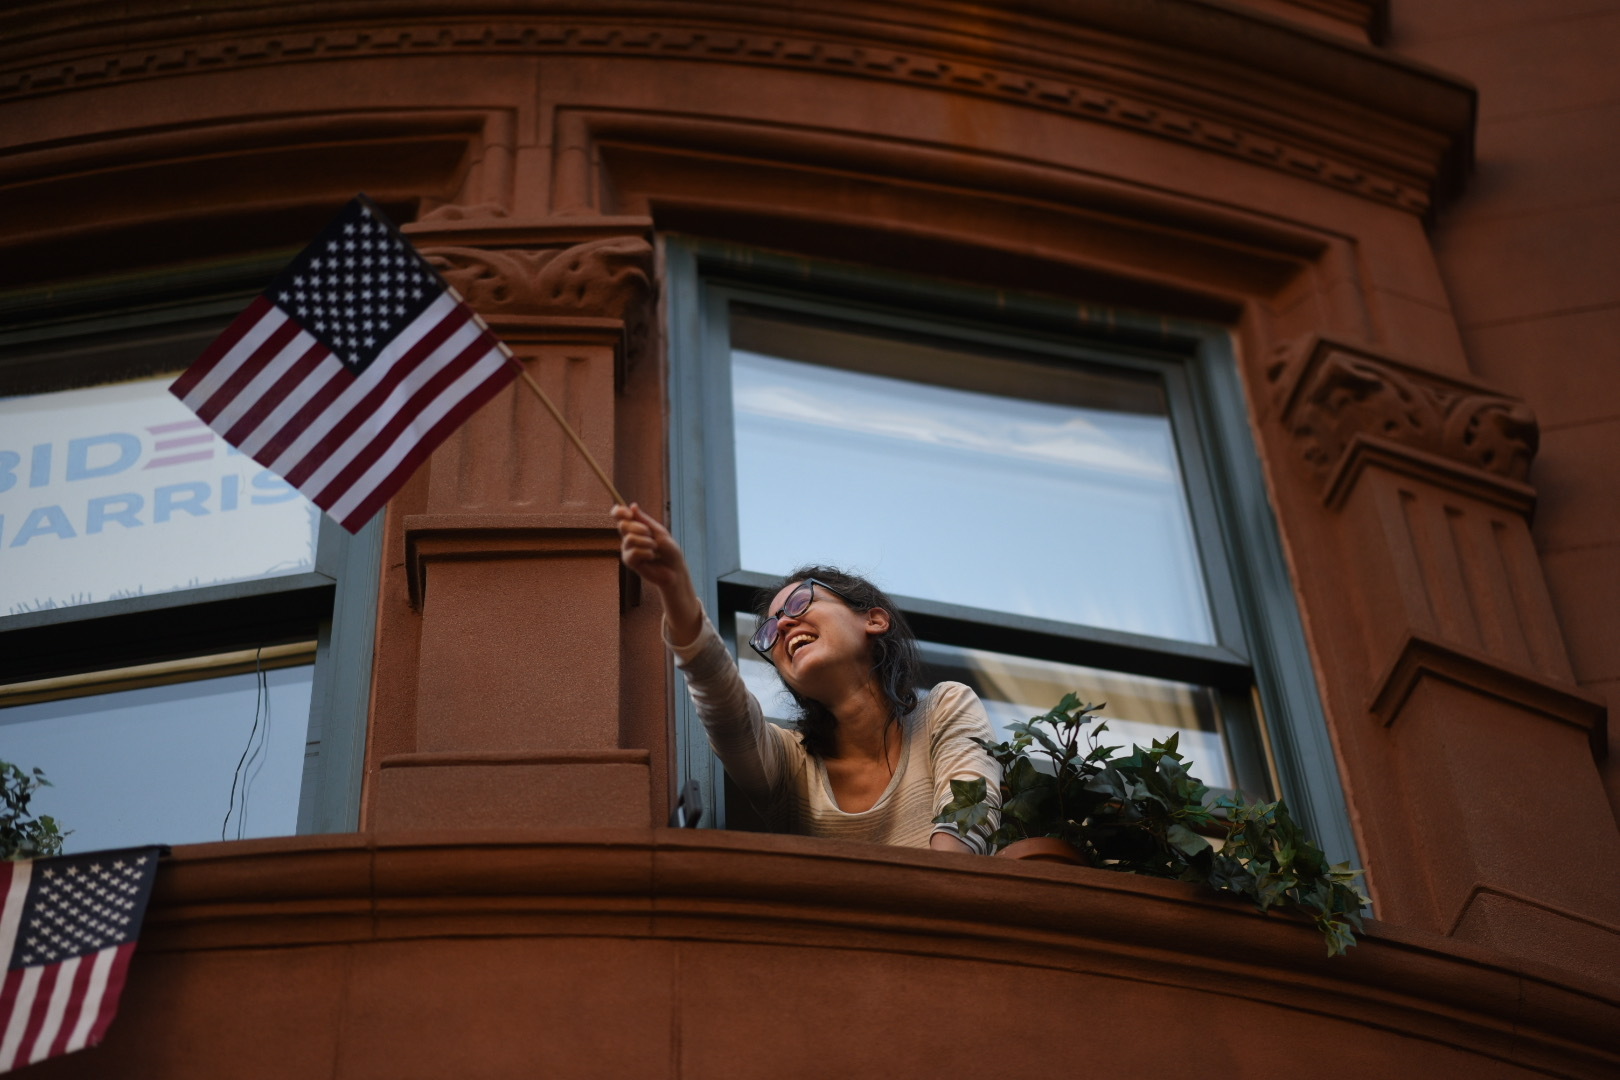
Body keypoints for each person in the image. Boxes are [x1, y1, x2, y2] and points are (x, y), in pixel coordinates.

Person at [613, 502, 1001, 853]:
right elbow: (725, 709)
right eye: (768, 631)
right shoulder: (790, 764)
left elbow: (968, 822)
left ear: (874, 619)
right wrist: (675, 588)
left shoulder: (944, 708)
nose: (781, 624)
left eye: (801, 601)